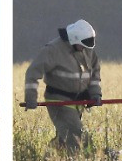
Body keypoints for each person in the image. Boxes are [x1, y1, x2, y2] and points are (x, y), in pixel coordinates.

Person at [23, 19, 103, 152]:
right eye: (82, 45)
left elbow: (95, 75)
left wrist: (95, 94)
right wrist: (31, 98)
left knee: (64, 139)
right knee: (77, 136)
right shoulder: (53, 50)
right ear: (74, 39)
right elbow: (32, 72)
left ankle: (47, 159)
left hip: (78, 102)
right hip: (58, 101)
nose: (85, 49)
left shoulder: (87, 49)